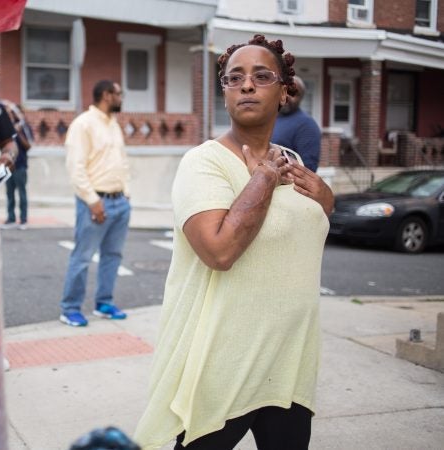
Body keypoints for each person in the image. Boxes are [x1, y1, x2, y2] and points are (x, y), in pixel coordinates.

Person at [135, 35, 333, 450]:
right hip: (225, 360)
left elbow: (304, 228)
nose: (247, 85)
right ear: (224, 93)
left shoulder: (290, 162)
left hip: (288, 360)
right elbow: (219, 251)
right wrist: (261, 180)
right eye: (234, 78)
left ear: (284, 92)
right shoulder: (203, 162)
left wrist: (326, 199)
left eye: (262, 76)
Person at [59, 80, 131, 327]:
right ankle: (69, 309)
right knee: (82, 257)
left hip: (120, 201)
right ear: (106, 95)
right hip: (94, 202)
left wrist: (127, 194)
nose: (122, 97)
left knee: (112, 255)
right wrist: (92, 201)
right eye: (119, 93)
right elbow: (75, 168)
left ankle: (104, 303)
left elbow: (121, 161)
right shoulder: (83, 125)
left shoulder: (113, 124)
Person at [271, 75, 321, 172]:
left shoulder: (306, 125)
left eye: (294, 94)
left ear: (301, 98)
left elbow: (308, 169)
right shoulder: (269, 118)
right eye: (286, 91)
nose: (288, 96)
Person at [1, 101, 33, 230]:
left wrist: (18, 134)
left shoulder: (24, 128)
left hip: (20, 166)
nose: (11, 115)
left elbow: (28, 146)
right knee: (9, 193)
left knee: (22, 193)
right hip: (8, 165)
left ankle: (23, 219)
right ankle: (11, 218)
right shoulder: (7, 128)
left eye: (13, 113)